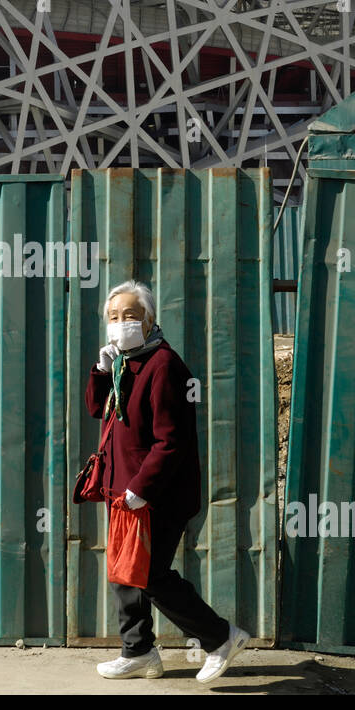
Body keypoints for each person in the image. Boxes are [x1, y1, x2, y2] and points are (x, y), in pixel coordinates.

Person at [84, 279, 248, 682]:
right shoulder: (123, 363)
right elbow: (95, 409)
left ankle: (221, 637)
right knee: (125, 572)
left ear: (150, 320)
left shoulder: (163, 365)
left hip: (157, 494)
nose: (120, 323)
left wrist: (142, 488)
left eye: (130, 316)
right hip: (122, 490)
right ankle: (138, 652)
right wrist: (101, 370)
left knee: (152, 576)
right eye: (113, 317)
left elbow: (170, 440)